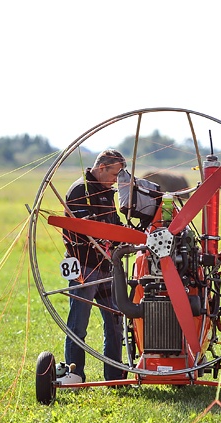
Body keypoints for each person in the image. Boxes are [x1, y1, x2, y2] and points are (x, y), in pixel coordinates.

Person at [58, 149, 127, 384]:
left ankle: (114, 375)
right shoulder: (80, 189)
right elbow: (80, 226)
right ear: (102, 168)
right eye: (115, 174)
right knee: (79, 323)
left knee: (115, 322)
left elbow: (113, 222)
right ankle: (75, 373)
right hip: (86, 268)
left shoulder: (107, 192)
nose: (117, 180)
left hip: (107, 267)